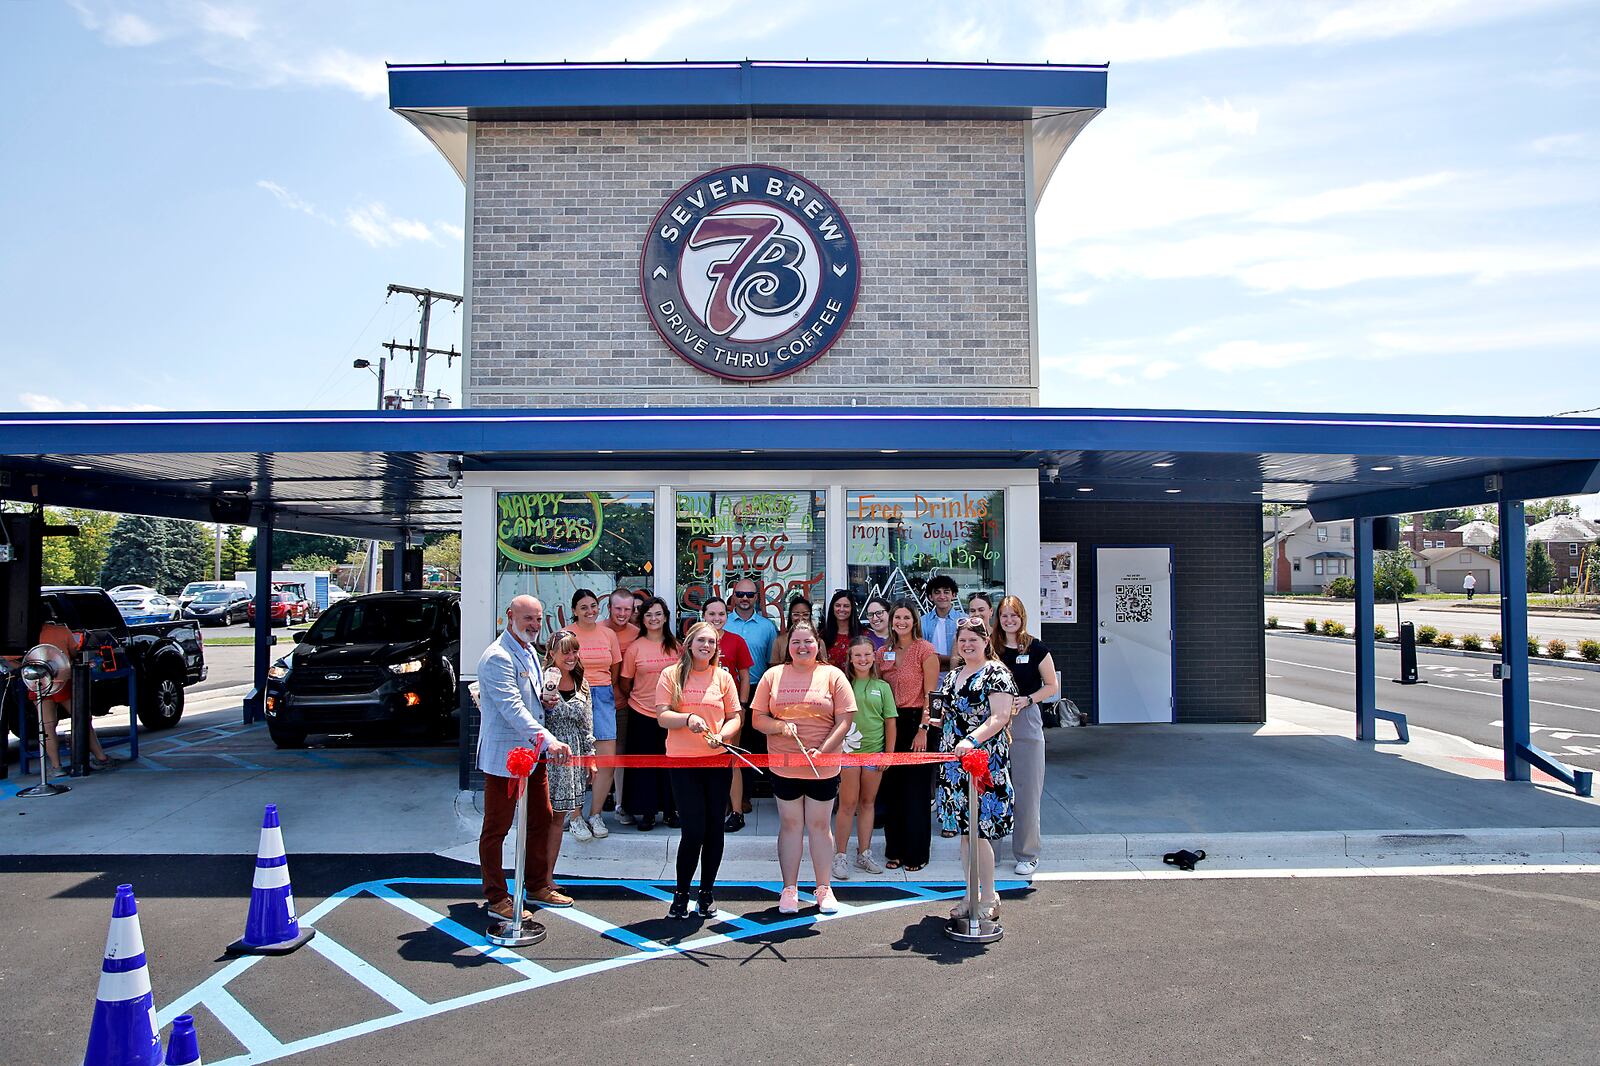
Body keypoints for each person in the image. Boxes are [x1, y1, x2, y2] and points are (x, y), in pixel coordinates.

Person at [476, 595, 572, 919]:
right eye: (527, 618)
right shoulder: (498, 657)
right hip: (506, 757)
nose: (533, 624)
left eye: (537, 618)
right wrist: (548, 740)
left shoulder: (530, 651)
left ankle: (536, 885)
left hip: (533, 755)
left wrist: (546, 702)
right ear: (509, 616)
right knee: (497, 827)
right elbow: (512, 710)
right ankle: (496, 897)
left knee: (541, 818)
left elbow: (528, 702)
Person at [752, 620, 856, 915]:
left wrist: (823, 750)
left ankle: (824, 888)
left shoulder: (832, 675)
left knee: (820, 826)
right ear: (788, 646)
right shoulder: (773, 675)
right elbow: (758, 719)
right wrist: (780, 727)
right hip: (784, 765)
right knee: (790, 825)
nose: (802, 647)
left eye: (807, 642)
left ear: (817, 644)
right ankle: (790, 889)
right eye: (796, 642)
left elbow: (845, 720)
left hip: (822, 766)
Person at [655, 621, 743, 919]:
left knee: (714, 829)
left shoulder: (723, 678)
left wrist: (724, 735)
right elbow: (663, 716)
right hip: (683, 762)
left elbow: (735, 717)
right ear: (689, 644)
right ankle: (681, 893)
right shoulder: (671, 675)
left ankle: (706, 892)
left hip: (717, 761)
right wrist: (687, 718)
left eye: (712, 642)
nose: (707, 646)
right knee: (693, 830)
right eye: (701, 641)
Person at [935, 617, 1016, 922]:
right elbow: (947, 714)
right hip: (955, 764)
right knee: (966, 834)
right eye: (962, 640)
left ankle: (989, 896)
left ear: (985, 641)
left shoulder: (997, 673)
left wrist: (970, 739)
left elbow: (1000, 716)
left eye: (973, 639)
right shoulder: (953, 675)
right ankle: (969, 894)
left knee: (980, 832)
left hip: (984, 762)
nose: (967, 645)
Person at [993, 595, 1057, 877]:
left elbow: (1051, 685)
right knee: (992, 787)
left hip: (1026, 721)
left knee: (1027, 790)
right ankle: (989, 852)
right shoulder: (991, 647)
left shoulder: (1036, 648)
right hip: (994, 721)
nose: (1009, 621)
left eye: (1014, 615)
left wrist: (1028, 700)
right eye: (1004, 615)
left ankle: (1027, 854)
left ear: (1022, 617)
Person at [878, 601, 940, 870]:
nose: (901, 622)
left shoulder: (925, 650)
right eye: (897, 617)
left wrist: (923, 729)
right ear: (890, 621)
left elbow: (932, 695)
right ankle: (895, 850)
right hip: (890, 723)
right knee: (892, 790)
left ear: (915, 621)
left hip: (918, 723)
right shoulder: (883, 652)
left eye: (906, 617)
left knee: (915, 792)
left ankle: (917, 854)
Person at [833, 635, 896, 879]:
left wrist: (888, 755)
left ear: (874, 657)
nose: (863, 659)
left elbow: (890, 722)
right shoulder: (842, 685)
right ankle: (840, 856)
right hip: (848, 752)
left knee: (868, 803)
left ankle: (864, 853)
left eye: (867, 655)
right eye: (857, 655)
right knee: (847, 804)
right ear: (850, 658)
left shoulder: (883, 687)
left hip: (874, 753)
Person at [616, 597, 680, 831]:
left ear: (665, 617)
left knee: (671, 764)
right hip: (641, 713)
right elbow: (625, 682)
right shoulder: (635, 647)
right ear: (642, 619)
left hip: (671, 714)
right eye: (648, 615)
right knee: (644, 767)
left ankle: (671, 812)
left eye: (658, 614)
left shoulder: (676, 647)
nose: (654, 619)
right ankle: (648, 813)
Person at [562, 589, 621, 840]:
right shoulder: (566, 634)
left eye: (594, 606)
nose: (590, 611)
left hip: (604, 696)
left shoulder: (608, 634)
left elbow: (615, 669)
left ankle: (595, 814)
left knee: (607, 759)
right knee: (575, 759)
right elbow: (559, 667)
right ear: (574, 610)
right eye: (584, 607)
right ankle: (575, 817)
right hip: (575, 696)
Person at [723, 575, 779, 831]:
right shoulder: (724, 624)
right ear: (733, 596)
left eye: (750, 595)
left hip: (759, 689)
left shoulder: (767, 627)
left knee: (756, 746)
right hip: (728, 691)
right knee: (733, 746)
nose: (745, 599)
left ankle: (752, 793)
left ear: (757, 598)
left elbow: (771, 661)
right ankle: (736, 798)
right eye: (740, 595)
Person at [33, 616, 117, 773]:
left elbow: (10, 658)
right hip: (62, 680)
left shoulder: (24, 636)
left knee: (47, 727)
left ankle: (56, 767)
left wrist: (27, 670)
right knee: (82, 718)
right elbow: (74, 651)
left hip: (38, 683)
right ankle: (101, 757)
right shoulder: (61, 631)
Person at [543, 632, 598, 852]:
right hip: (548, 754)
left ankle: (547, 876)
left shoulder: (581, 683)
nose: (571, 656)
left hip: (573, 754)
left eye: (575, 651)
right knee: (544, 815)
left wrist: (590, 756)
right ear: (552, 653)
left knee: (559, 817)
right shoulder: (542, 680)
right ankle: (536, 874)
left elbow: (587, 725)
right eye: (565, 652)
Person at [600, 589, 641, 822]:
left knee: (622, 755)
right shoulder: (596, 630)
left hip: (625, 702)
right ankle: (587, 807)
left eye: (628, 609)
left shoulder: (637, 634)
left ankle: (620, 804)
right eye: (618, 608)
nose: (623, 613)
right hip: (597, 704)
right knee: (596, 755)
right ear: (609, 607)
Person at [700, 597, 753, 703]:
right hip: (701, 700)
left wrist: (742, 705)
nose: (717, 618)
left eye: (721, 614)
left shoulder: (737, 641)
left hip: (730, 701)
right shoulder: (693, 641)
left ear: (727, 616)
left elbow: (745, 677)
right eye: (711, 614)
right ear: (703, 615)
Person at [920, 575, 965, 668]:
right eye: (937, 592)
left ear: (953, 595)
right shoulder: (922, 622)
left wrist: (940, 659)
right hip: (929, 673)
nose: (942, 596)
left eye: (946, 592)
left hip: (959, 673)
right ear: (930, 597)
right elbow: (920, 653)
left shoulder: (964, 620)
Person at [819, 589, 861, 668]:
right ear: (832, 607)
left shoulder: (863, 634)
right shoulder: (823, 636)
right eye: (838, 605)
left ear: (852, 608)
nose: (841, 609)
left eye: (846, 606)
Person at [773, 596, 814, 665]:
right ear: (790, 616)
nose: (801, 618)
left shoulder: (818, 641)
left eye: (805, 614)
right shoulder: (779, 641)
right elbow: (773, 668)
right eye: (796, 615)